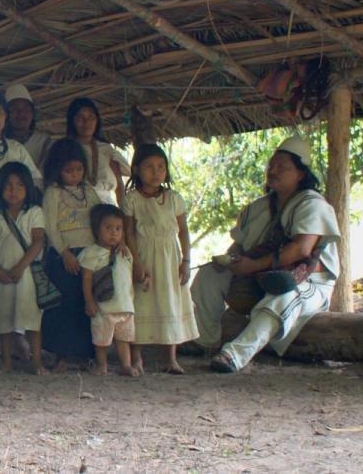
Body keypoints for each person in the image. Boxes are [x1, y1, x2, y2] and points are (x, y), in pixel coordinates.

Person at [190, 137, 339, 374]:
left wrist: (253, 265)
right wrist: (231, 260)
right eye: (272, 165)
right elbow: (238, 245)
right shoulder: (258, 207)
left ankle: (233, 355)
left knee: (282, 298)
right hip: (258, 276)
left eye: (283, 167)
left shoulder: (313, 204)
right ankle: (204, 341)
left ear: (301, 174)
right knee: (209, 275)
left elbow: (301, 249)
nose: (274, 170)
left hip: (309, 283)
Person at [123, 144, 197, 374]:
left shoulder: (174, 198)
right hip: (144, 255)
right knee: (141, 303)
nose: (156, 172)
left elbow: (183, 230)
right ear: (136, 169)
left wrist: (186, 260)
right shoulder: (132, 199)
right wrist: (136, 262)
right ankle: (137, 358)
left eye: (161, 167)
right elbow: (129, 233)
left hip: (170, 257)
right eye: (149, 167)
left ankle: (170, 358)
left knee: (171, 301)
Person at [40, 138, 102, 368]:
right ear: (58, 169)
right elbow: (50, 226)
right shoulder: (53, 193)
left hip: (90, 255)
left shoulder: (88, 191)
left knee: (86, 303)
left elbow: (99, 217)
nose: (75, 174)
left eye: (79, 169)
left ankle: (86, 353)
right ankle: (62, 355)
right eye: (68, 170)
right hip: (64, 256)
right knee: (64, 305)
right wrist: (64, 253)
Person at [0, 162, 47, 375]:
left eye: (20, 185)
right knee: (4, 320)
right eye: (8, 185)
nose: (14, 190)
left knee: (31, 319)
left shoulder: (35, 212)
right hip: (1, 274)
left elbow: (38, 241)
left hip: (27, 273)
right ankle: (6, 362)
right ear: (0, 189)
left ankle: (36, 361)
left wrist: (21, 267)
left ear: (28, 188)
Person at [81, 204, 138, 376]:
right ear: (96, 229)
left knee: (124, 339)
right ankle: (102, 365)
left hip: (125, 306)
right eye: (108, 228)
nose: (114, 233)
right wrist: (89, 300)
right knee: (101, 340)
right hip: (103, 308)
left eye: (118, 229)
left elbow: (130, 273)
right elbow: (86, 278)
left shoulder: (124, 252)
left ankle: (125, 365)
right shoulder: (91, 253)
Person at [66, 98, 129, 205]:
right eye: (81, 118)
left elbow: (119, 187)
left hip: (107, 209)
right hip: (75, 208)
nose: (86, 122)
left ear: (97, 120)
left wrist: (124, 214)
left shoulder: (106, 149)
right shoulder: (64, 149)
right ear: (72, 121)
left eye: (91, 117)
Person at [4, 84, 52, 170]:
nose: (21, 113)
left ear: (32, 113)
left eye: (25, 109)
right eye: (15, 109)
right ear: (6, 114)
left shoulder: (43, 141)